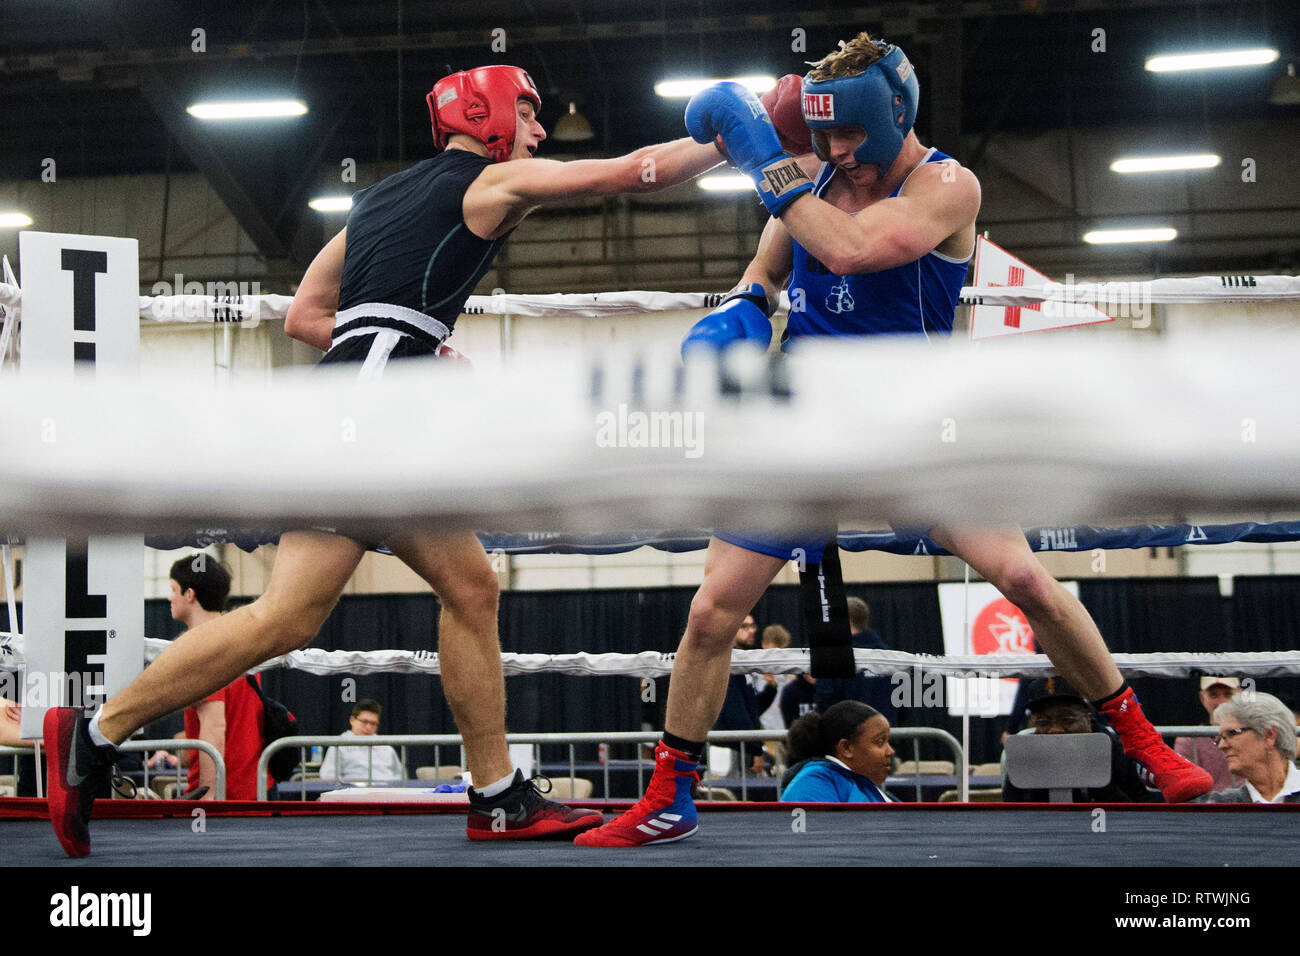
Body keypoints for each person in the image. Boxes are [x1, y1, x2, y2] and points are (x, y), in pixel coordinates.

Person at [44, 63, 730, 857]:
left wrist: (413, 346)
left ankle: (495, 794)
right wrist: (737, 141)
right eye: (533, 116)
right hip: (370, 422)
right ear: (489, 114)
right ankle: (95, 734)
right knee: (300, 616)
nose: (540, 133)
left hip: (352, 405)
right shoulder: (487, 186)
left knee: (447, 589)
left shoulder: (373, 202)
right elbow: (628, 174)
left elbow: (306, 315)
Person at [576, 32, 1211, 848]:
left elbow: (857, 248)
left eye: (850, 134)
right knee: (709, 615)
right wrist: (741, 307)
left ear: (898, 112)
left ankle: (1149, 750)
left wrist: (766, 156)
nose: (839, 151)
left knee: (1025, 576)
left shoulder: (948, 184)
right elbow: (767, 270)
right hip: (803, 420)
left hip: (914, 423)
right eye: (827, 134)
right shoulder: (814, 176)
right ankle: (670, 796)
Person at [167, 555, 269, 801]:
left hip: (227, 795)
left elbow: (214, 727)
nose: (170, 598)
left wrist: (210, 793)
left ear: (189, 594)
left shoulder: (205, 647)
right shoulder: (240, 639)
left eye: (173, 590)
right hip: (253, 789)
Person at [1000, 677, 1157, 803]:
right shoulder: (1025, 752)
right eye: (1044, 722)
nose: (1055, 729)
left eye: (1067, 720)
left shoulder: (1113, 748)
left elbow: (1139, 806)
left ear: (1088, 720)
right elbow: (1013, 812)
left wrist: (1100, 784)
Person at [780, 700, 894, 802]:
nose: (890, 751)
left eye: (888, 741)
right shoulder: (812, 783)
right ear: (846, 748)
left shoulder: (861, 786)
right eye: (879, 742)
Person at [1197, 692, 1300, 803]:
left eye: (1232, 733)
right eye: (1220, 738)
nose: (1222, 745)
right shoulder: (1223, 805)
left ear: (1269, 735)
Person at [814, 597, 898, 724]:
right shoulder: (889, 656)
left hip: (850, 737)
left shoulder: (835, 657)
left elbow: (825, 701)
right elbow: (902, 703)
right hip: (886, 736)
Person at [1173, 676, 1242, 791]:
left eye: (1228, 694)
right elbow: (1184, 785)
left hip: (1247, 806)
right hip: (1205, 806)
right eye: (1213, 695)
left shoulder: (1253, 736)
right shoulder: (1188, 739)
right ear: (1202, 698)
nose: (1221, 702)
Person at [318, 699, 405, 783]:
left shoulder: (386, 747)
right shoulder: (339, 746)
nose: (368, 727)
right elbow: (328, 777)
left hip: (388, 794)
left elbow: (402, 777)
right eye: (364, 721)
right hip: (354, 795)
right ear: (352, 720)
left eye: (373, 723)